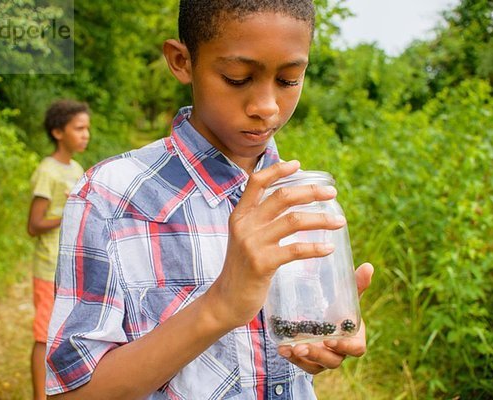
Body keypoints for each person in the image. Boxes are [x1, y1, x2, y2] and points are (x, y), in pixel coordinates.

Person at [45, 1, 374, 398]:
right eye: (237, 78)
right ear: (182, 61)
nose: (266, 107)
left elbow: (277, 357)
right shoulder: (109, 200)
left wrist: (318, 335)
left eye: (288, 80)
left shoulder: (297, 202)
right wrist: (219, 307)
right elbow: (73, 393)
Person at [27, 99, 90, 400]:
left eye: (86, 128)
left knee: (63, 333)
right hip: (47, 267)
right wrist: (66, 215)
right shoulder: (48, 171)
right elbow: (34, 224)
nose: (85, 134)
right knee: (43, 335)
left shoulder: (77, 168)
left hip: (68, 268)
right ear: (57, 132)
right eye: (78, 128)